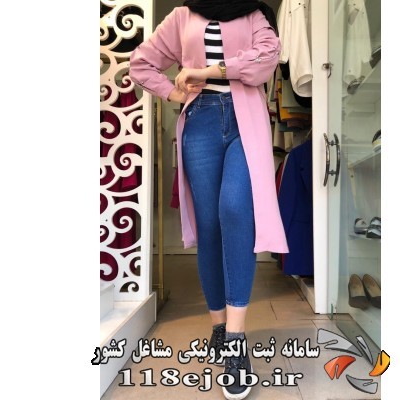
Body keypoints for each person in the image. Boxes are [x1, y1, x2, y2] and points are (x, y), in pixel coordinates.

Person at [129, 1, 289, 398]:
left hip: (244, 118)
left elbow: (267, 57)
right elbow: (141, 63)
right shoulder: (183, 16)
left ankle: (236, 340)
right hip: (199, 121)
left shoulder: (253, 13)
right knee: (210, 227)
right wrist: (172, 92)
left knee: (235, 209)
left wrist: (207, 71)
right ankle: (219, 326)